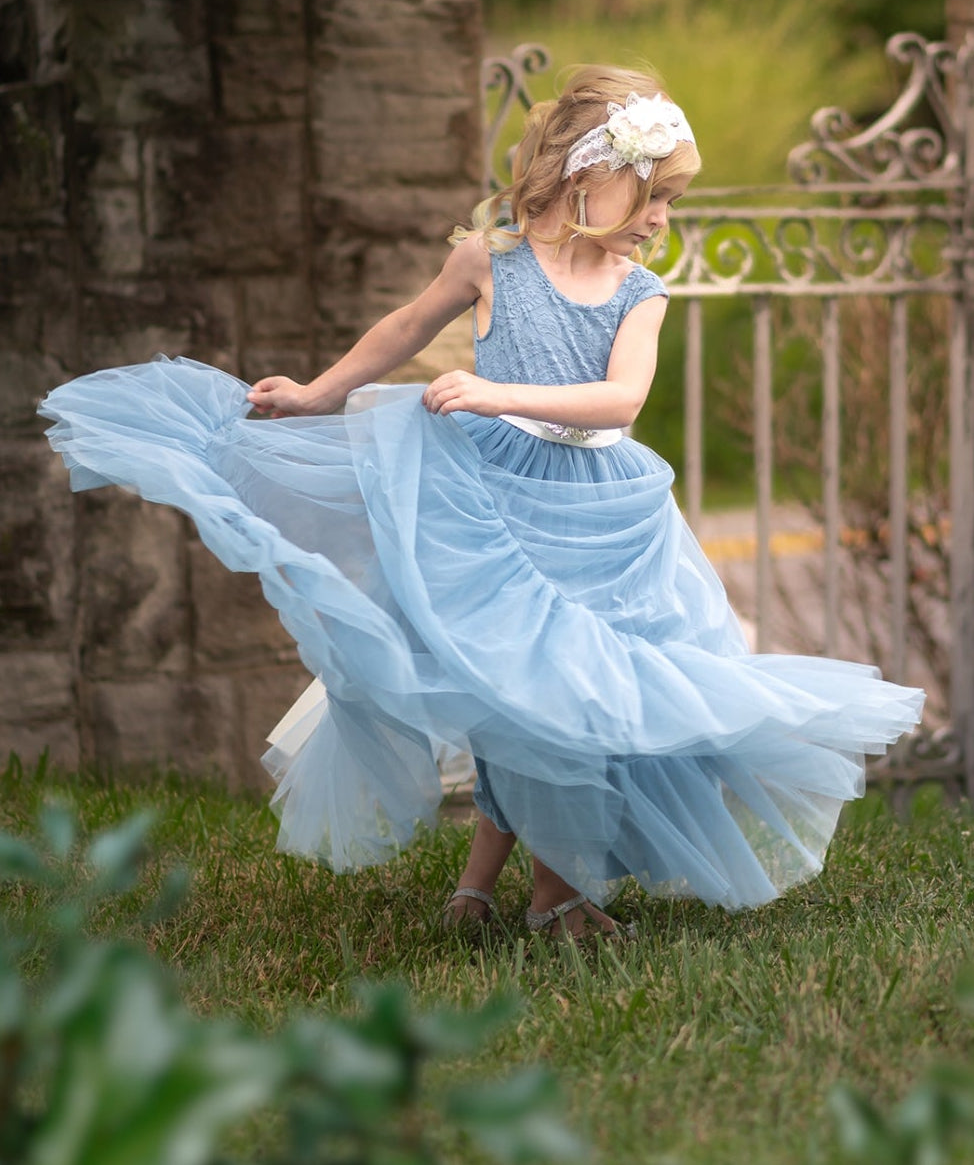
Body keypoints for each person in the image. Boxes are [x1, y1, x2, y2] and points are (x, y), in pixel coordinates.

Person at [39, 66, 924, 940]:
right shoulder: (491, 258)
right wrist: (318, 393)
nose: (663, 220)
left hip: (599, 511)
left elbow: (620, 403)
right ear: (595, 178)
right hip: (491, 500)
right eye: (656, 197)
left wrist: (499, 395)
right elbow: (404, 328)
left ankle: (533, 890)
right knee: (511, 685)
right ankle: (524, 894)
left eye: (671, 203)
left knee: (571, 693)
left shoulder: (638, 294)